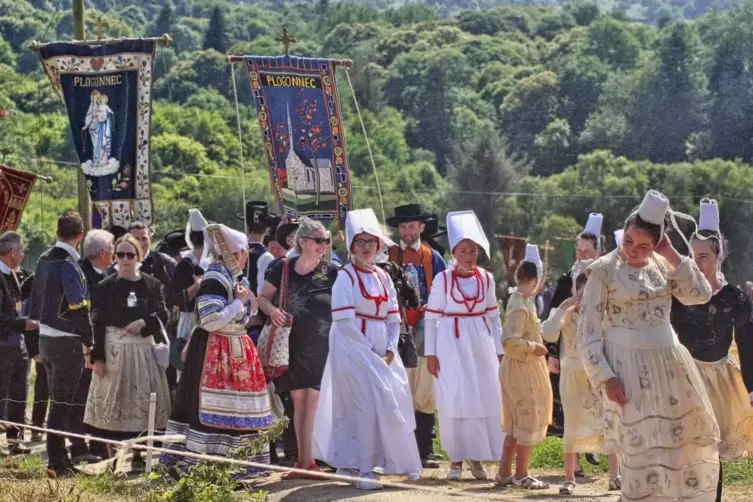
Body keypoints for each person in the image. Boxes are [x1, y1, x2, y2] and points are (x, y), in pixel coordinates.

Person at [579, 190, 720, 502]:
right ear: (624, 230)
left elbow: (701, 293)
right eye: (629, 240)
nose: (633, 250)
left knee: (676, 447)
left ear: (657, 243)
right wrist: (606, 376)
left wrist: (671, 255)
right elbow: (586, 332)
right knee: (639, 449)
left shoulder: (662, 264)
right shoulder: (603, 270)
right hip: (626, 369)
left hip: (670, 367)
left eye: (644, 245)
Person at [314, 209, 422, 489]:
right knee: (359, 406)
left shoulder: (385, 277)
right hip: (351, 349)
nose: (366, 247)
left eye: (370, 242)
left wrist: (388, 351)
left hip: (382, 351)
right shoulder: (345, 277)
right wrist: (369, 356)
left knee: (390, 402)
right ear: (351, 245)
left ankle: (385, 460)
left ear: (378, 245)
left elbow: (393, 317)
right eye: (360, 242)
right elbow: (346, 324)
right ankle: (360, 467)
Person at [160, 223, 273, 477]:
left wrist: (243, 306)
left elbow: (244, 315)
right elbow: (210, 319)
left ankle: (238, 466)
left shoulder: (232, 277)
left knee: (237, 409)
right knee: (209, 408)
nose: (246, 258)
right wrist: (238, 304)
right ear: (237, 253)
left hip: (234, 348)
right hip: (215, 350)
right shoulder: (214, 277)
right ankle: (205, 467)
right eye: (244, 252)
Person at [671, 199, 753, 502]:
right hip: (684, 376)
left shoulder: (734, 297)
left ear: (719, 257)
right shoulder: (677, 293)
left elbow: (747, 343)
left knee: (711, 445)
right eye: (692, 256)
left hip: (719, 380)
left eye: (704, 256)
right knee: (685, 445)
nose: (697, 263)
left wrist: (752, 388)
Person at [425, 210, 503, 481]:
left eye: (472, 250)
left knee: (482, 397)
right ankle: (456, 459)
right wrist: (431, 353)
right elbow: (432, 317)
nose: (468, 256)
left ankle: (477, 457)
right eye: (463, 250)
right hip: (451, 343)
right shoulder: (443, 279)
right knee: (455, 398)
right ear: (454, 252)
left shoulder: (486, 278)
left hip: (480, 344)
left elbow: (493, 317)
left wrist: (499, 349)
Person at [259, 217, 338, 478]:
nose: (324, 245)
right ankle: (304, 461)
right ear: (302, 242)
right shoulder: (281, 268)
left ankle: (308, 461)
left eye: (326, 240)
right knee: (298, 403)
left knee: (312, 403)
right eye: (319, 240)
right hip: (290, 344)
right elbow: (262, 298)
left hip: (322, 345)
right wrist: (273, 312)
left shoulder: (333, 271)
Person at [85, 234, 171, 468]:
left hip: (143, 351)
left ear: (138, 256)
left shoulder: (152, 284)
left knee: (142, 403)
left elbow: (163, 315)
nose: (125, 259)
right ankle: (113, 458)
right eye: (120, 254)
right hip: (114, 350)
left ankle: (139, 456)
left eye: (129, 255)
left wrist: (144, 323)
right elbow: (97, 322)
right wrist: (99, 357)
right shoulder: (104, 287)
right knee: (113, 403)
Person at [541, 261, 620, 495]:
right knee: (572, 424)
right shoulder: (566, 314)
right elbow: (547, 333)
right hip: (571, 374)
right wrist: (562, 308)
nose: (583, 298)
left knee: (608, 423)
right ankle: (569, 478)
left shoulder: (601, 315)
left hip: (598, 374)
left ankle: (615, 476)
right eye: (579, 292)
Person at [28, 211, 94, 477]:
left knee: (57, 402)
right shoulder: (68, 263)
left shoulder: (43, 259)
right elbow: (79, 306)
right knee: (62, 404)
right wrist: (90, 339)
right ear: (80, 236)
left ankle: (59, 458)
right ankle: (57, 461)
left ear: (57, 233)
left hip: (44, 338)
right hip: (66, 340)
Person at [387, 204, 446, 469]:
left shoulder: (432, 257)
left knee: (425, 386)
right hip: (396, 327)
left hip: (425, 327)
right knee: (400, 385)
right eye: (403, 227)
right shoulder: (387, 255)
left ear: (422, 227)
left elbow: (444, 290)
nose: (407, 231)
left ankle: (426, 448)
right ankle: (401, 449)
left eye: (412, 226)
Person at [544, 213, 604, 467]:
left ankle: (596, 447)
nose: (582, 256)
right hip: (568, 353)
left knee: (598, 404)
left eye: (588, 251)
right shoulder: (565, 281)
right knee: (572, 407)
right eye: (579, 251)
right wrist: (552, 353)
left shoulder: (606, 279)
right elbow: (552, 319)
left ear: (599, 253)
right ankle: (575, 460)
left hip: (599, 353)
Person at [497, 244, 552, 489]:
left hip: (525, 367)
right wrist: (534, 347)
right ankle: (521, 473)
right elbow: (509, 341)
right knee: (526, 419)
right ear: (534, 280)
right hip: (521, 367)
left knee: (516, 422)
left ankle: (504, 472)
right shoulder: (519, 305)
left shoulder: (523, 301)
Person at [71, 229, 115, 462]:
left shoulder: (107, 272)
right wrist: (88, 347)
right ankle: (78, 446)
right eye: (112, 250)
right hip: (83, 345)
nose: (115, 254)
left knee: (98, 396)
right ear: (102, 252)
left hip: (101, 343)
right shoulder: (80, 273)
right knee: (80, 398)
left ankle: (98, 444)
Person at [0, 232, 38, 455]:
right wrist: (24, 324)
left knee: (19, 396)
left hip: (17, 346)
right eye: (22, 250)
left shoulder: (13, 274)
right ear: (13, 252)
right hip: (3, 346)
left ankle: (15, 442)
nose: (23, 255)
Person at [169, 210, 209, 370]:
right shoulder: (185, 265)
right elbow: (175, 299)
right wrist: (197, 286)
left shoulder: (213, 262)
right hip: (191, 320)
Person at [240, 201, 279, 294]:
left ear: (246, 225)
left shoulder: (236, 251)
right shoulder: (266, 257)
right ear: (267, 229)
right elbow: (262, 293)